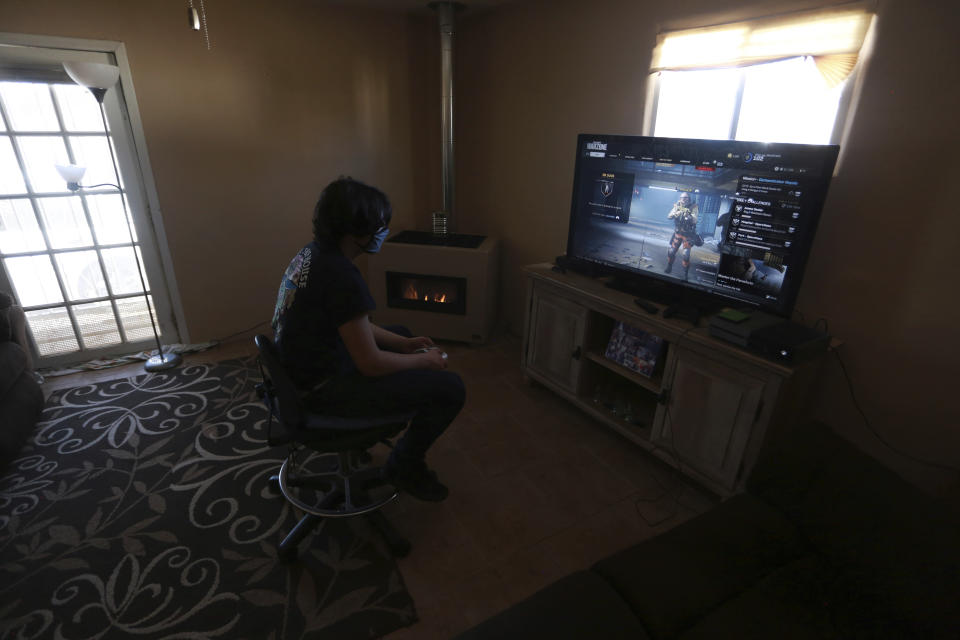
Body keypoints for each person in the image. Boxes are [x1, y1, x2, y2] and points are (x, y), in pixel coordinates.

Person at [271, 176, 465, 502]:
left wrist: (403, 347)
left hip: (298, 376)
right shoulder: (342, 276)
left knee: (401, 334)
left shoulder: (313, 254)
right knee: (451, 389)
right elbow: (371, 364)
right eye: (379, 226)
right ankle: (404, 466)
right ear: (355, 232)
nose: (382, 233)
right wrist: (424, 361)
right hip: (321, 392)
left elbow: (347, 322)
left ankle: (371, 442)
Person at [664, 191, 699, 279]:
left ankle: (685, 274)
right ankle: (669, 266)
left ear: (689, 199)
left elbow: (695, 220)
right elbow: (669, 216)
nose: (683, 200)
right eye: (681, 198)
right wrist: (676, 213)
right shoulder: (677, 206)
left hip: (688, 235)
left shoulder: (693, 207)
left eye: (685, 198)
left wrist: (689, 216)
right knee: (671, 251)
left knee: (686, 255)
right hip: (678, 233)